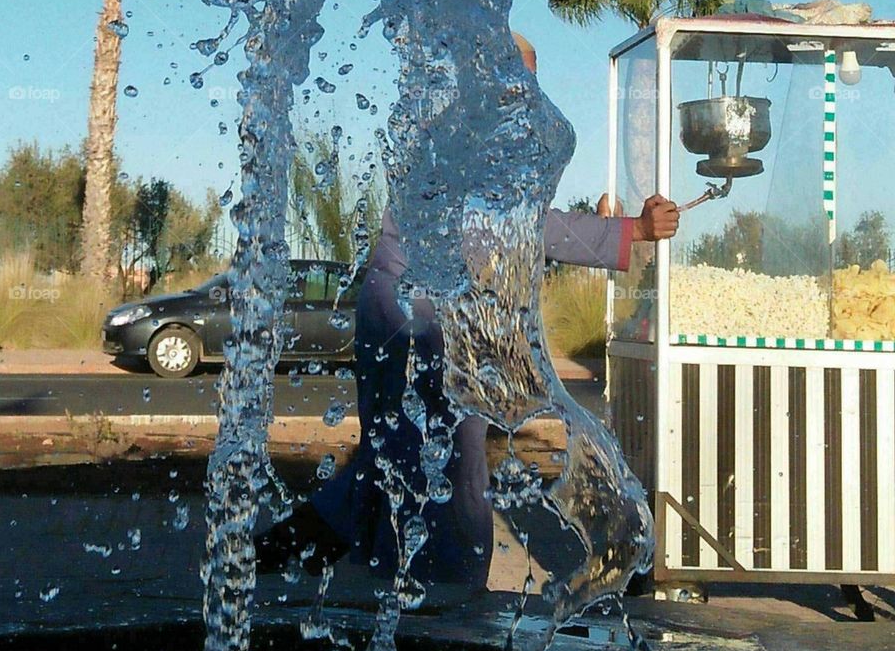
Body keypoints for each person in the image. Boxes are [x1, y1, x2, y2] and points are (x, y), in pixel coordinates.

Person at [256, 32, 679, 590]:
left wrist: (627, 233)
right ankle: (446, 601)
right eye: (519, 72)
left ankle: (296, 546)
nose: (527, 87)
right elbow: (525, 225)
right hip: (421, 321)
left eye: (530, 74)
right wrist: (633, 232)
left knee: (396, 451)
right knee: (451, 465)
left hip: (399, 312)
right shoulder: (475, 133)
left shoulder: (457, 127)